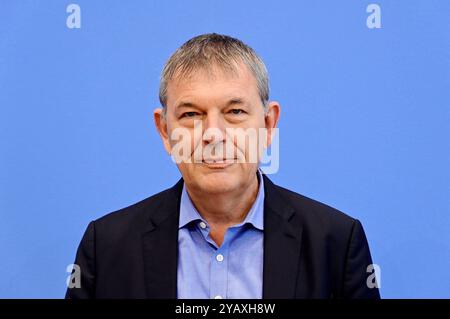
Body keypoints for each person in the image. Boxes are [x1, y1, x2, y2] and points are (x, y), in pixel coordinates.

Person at [66, 33, 380, 299]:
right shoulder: (107, 246)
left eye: (235, 112)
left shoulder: (335, 243)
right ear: (164, 130)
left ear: (269, 124)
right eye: (191, 115)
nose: (213, 134)